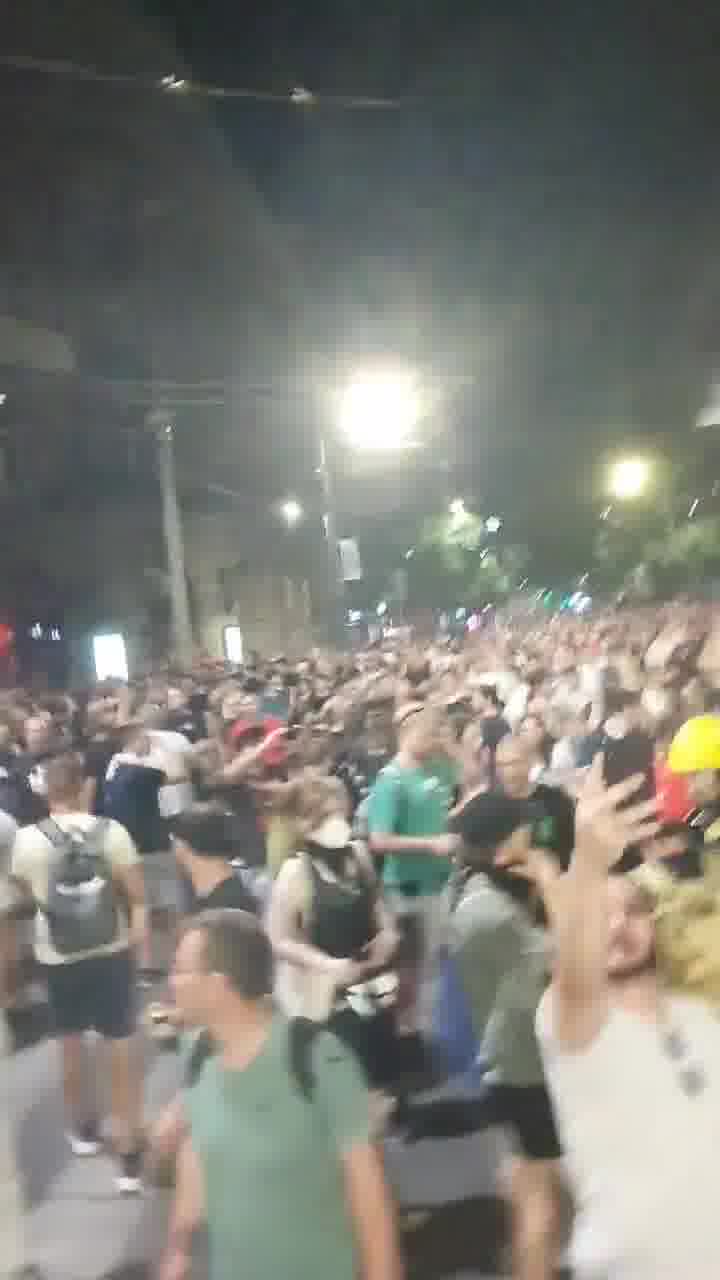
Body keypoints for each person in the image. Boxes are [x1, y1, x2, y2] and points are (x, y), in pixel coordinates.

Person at [538, 757, 720, 1278]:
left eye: (635, 910)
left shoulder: (702, 1019)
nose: (619, 925)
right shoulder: (572, 1025)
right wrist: (589, 861)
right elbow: (576, 968)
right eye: (602, 915)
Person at [160, 909, 404, 1280]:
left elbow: (371, 1201)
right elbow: (198, 1155)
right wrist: (177, 1251)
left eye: (180, 970)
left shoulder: (317, 1059)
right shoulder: (197, 1053)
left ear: (218, 984)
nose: (171, 982)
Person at [11, 753, 147, 1193]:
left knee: (69, 1044)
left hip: (58, 957)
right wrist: (135, 949)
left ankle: (83, 1131)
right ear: (82, 786)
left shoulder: (27, 841)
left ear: (45, 790)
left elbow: (22, 899)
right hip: (111, 950)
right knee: (119, 1044)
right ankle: (128, 1146)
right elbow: (138, 898)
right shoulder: (113, 833)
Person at [447, 791, 566, 1280]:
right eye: (524, 833)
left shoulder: (483, 892)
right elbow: (564, 958)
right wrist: (551, 883)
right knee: (540, 1200)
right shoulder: (488, 911)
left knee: (532, 1183)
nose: (535, 841)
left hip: (515, 1059)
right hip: (523, 1068)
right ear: (500, 845)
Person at [267, 775, 399, 1091]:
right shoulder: (294, 873)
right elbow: (279, 939)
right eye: (326, 817)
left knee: (373, 1077)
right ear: (303, 823)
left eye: (340, 815)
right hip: (321, 997)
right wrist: (326, 965)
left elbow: (377, 905)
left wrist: (388, 933)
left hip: (369, 986)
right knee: (334, 1083)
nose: (337, 824)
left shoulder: (359, 854)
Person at [367, 705, 459, 1033]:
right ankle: (407, 1032)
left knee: (433, 961)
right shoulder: (391, 780)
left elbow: (470, 776)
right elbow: (378, 839)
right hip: (406, 886)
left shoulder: (438, 767)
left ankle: (426, 1029)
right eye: (429, 735)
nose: (435, 741)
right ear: (408, 734)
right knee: (408, 966)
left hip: (439, 881)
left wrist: (451, 746)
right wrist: (430, 844)